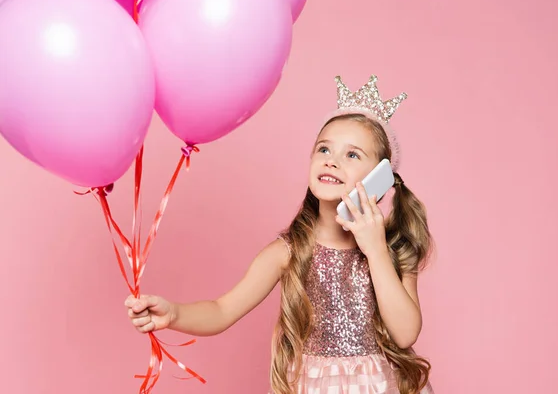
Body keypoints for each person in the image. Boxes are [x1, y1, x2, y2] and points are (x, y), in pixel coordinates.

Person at [125, 75, 435, 394]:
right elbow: (222, 310)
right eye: (324, 149)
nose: (332, 160)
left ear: (380, 177)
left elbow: (406, 333)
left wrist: (375, 250)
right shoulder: (288, 251)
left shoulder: (393, 248)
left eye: (352, 155)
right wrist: (173, 313)